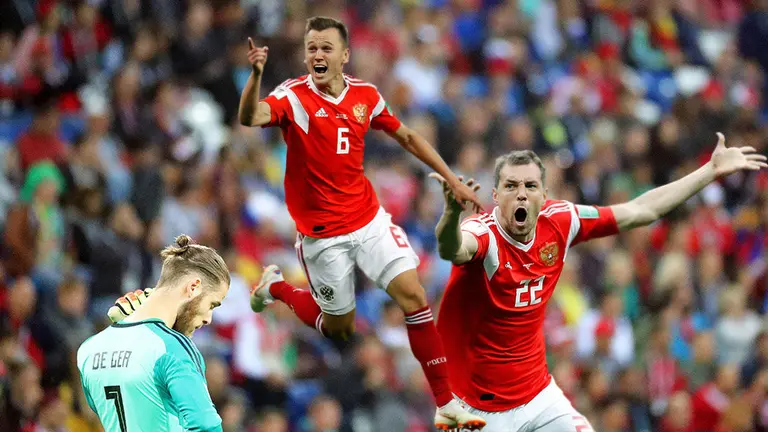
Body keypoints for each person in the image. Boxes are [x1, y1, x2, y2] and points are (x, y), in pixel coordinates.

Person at [237, 16, 485, 430]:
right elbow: (250, 117)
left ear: (344, 56)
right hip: (322, 237)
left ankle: (446, 402)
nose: (317, 54)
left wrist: (453, 177)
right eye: (312, 47)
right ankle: (276, 287)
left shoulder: (365, 96)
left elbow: (406, 135)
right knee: (339, 328)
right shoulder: (292, 97)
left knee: (414, 295)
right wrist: (256, 75)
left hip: (367, 218)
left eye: (326, 47)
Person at [431, 135, 766, 432]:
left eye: (530, 186)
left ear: (544, 194)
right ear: (495, 195)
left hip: (537, 394)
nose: (521, 195)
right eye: (511, 186)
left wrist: (709, 172)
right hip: (477, 408)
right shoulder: (483, 233)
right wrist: (449, 216)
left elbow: (640, 211)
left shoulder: (562, 220)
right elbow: (454, 248)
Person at [77, 235, 230, 432]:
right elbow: (206, 426)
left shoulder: (89, 350)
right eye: (211, 304)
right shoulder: (173, 348)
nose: (209, 318)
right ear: (193, 287)